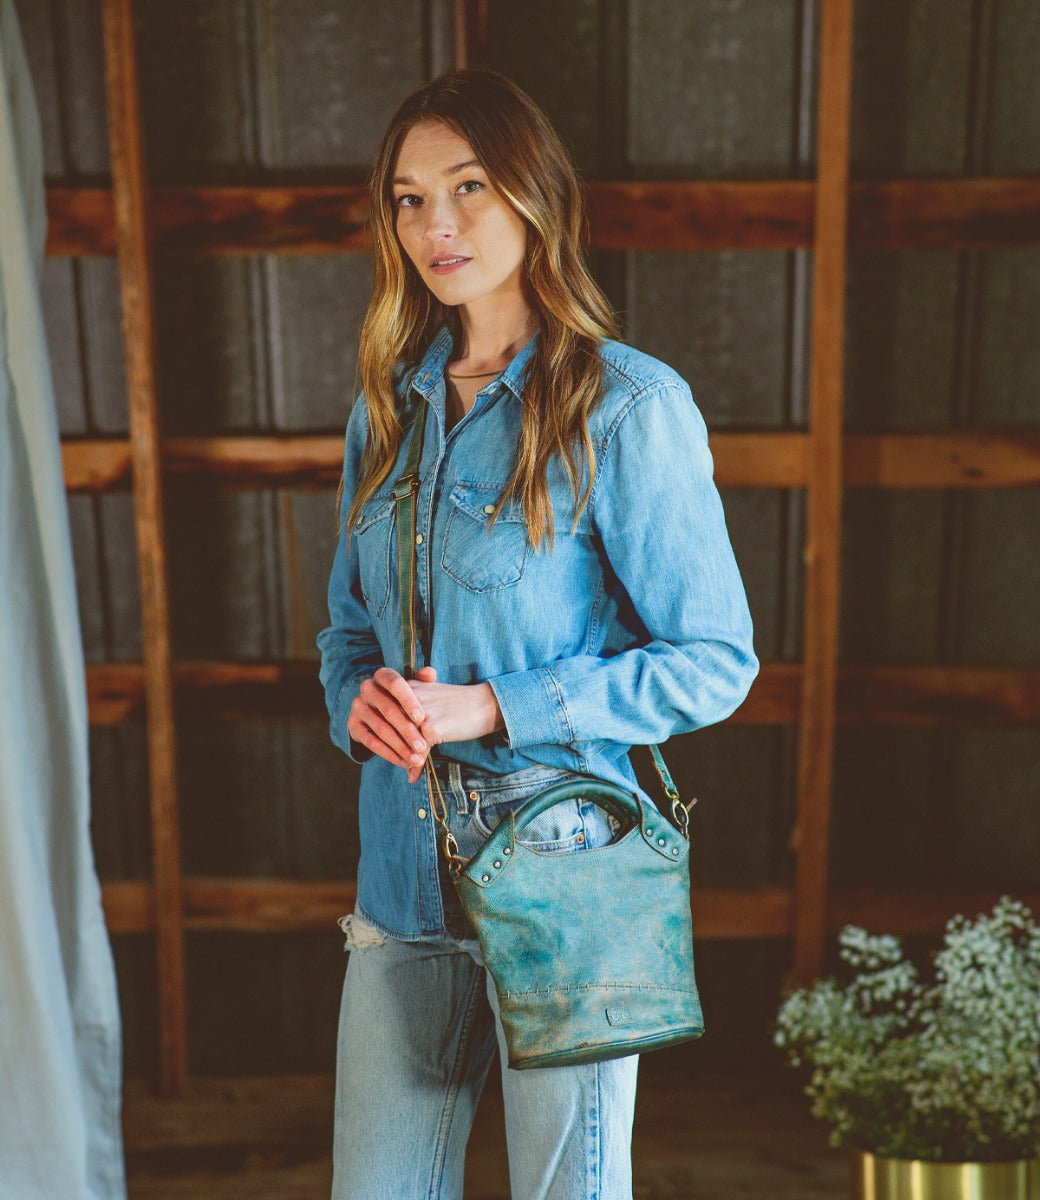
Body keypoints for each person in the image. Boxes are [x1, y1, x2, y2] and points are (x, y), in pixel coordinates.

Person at [317, 68, 758, 1200]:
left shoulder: (623, 407)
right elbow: (346, 631)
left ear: (534, 196)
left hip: (565, 884)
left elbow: (713, 661)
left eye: (467, 187)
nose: (437, 224)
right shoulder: (386, 408)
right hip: (401, 893)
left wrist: (497, 707)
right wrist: (353, 699)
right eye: (409, 198)